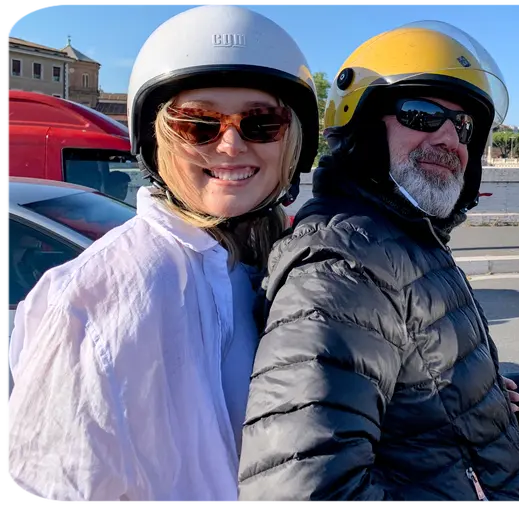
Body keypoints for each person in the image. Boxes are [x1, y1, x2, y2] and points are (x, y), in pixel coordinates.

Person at [238, 21, 519, 503]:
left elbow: (424, 403)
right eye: (420, 114)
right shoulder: (341, 268)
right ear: (364, 130)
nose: (449, 138)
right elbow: (302, 491)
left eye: (463, 126)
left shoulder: (405, 242)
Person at [4, 3, 319, 503]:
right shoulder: (93, 302)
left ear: (293, 141)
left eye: (262, 123)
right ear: (157, 138)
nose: (231, 144)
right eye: (199, 123)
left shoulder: (273, 266)